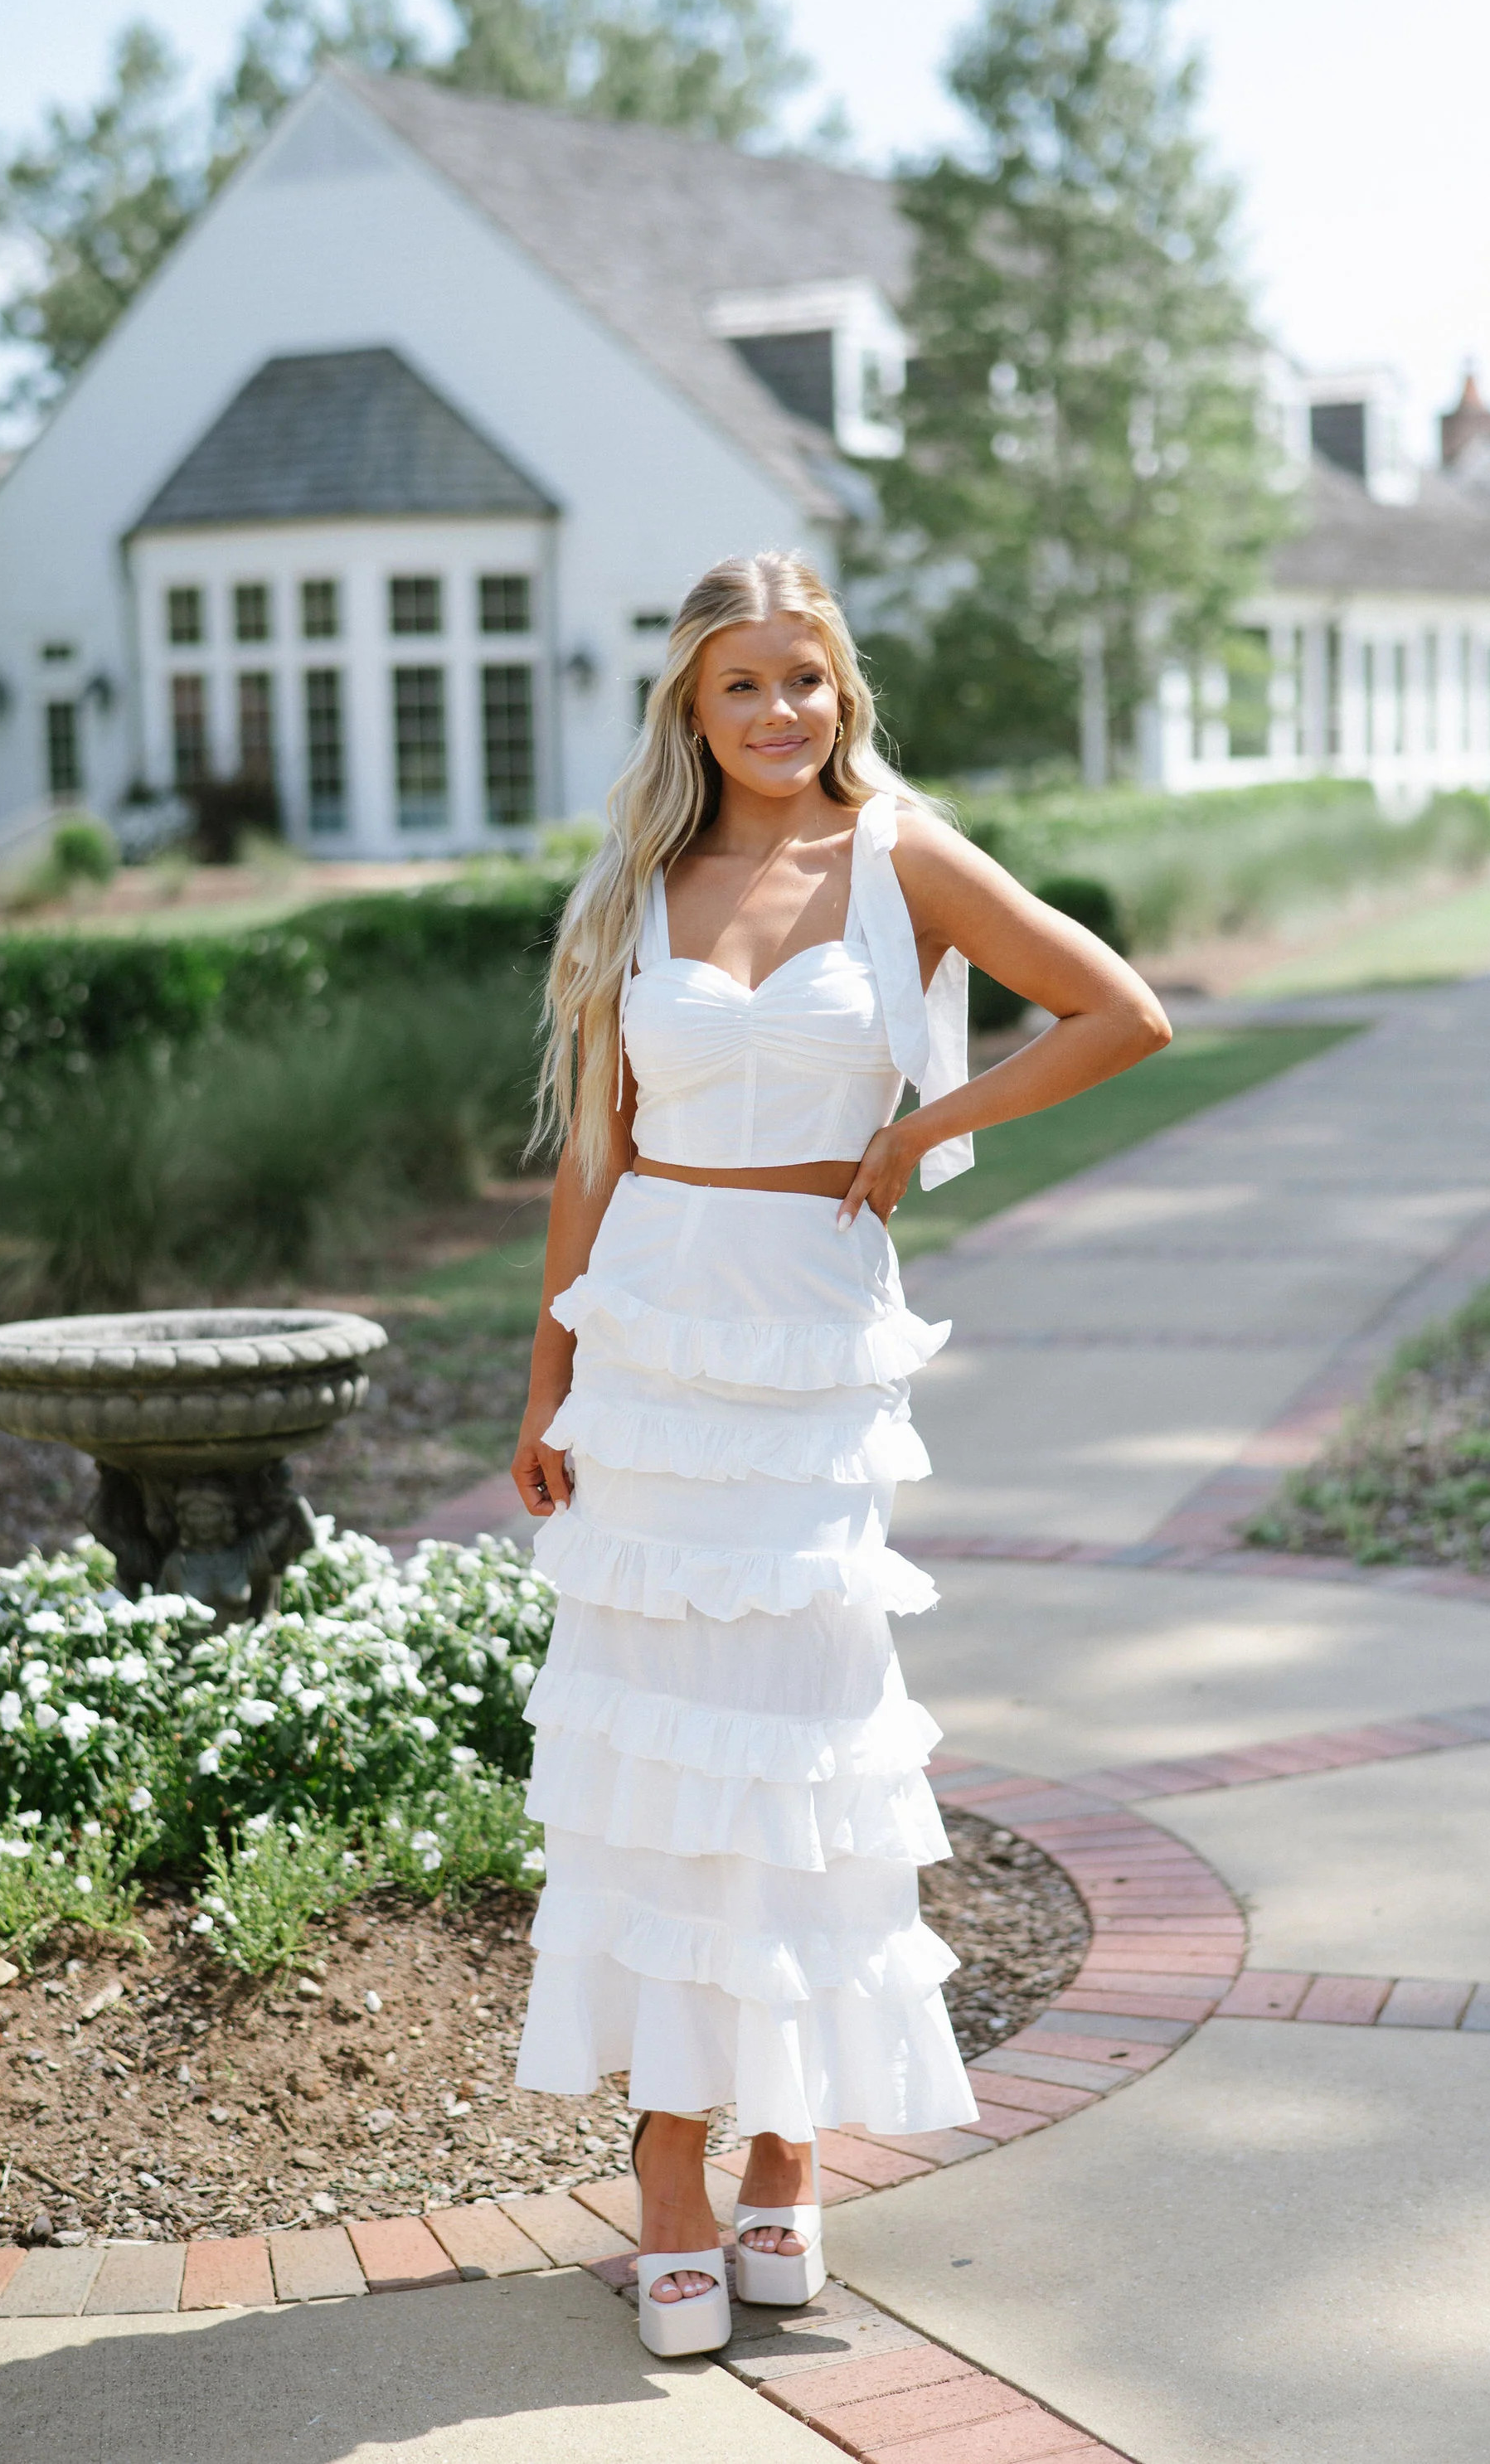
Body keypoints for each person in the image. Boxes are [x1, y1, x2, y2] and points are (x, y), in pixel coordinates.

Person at [510, 550, 1170, 2356]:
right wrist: (547, 1377)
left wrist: (920, 1131)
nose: (780, 711)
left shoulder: (901, 857)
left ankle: (786, 2146)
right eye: (743, 683)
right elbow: (593, 1156)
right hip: (652, 1350)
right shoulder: (633, 888)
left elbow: (1121, 1012)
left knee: (803, 1734)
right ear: (691, 704)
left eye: (805, 677)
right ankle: (667, 2159)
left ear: (841, 687)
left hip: (810, 1347)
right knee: (655, 1748)